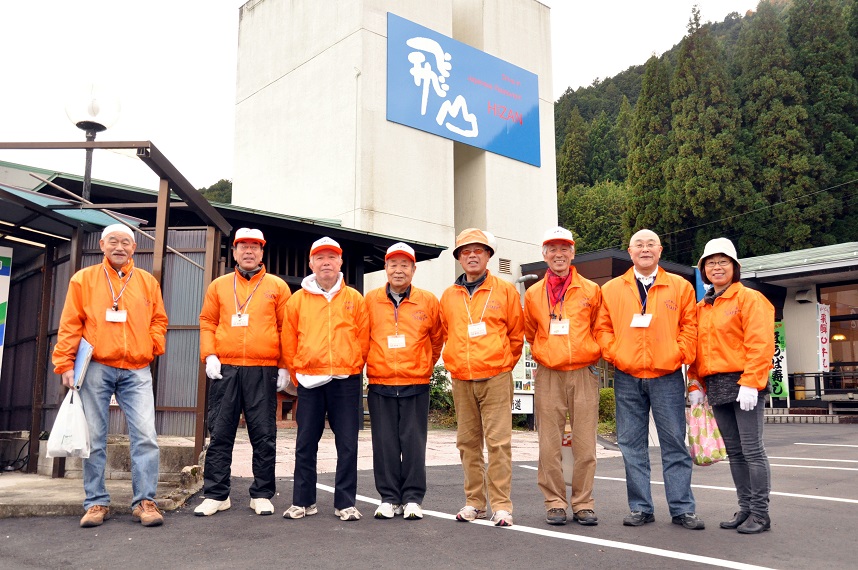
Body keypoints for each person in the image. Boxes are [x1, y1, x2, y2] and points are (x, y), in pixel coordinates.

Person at [52, 223, 168, 528]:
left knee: (146, 436)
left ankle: (145, 502)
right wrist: (64, 363)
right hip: (97, 366)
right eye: (113, 241)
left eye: (126, 242)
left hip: (137, 368)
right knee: (94, 436)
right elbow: (70, 323)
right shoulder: (84, 279)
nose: (120, 247)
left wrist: (152, 345)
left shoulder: (147, 281)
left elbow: (159, 319)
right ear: (102, 245)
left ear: (134, 248)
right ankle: (95, 502)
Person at [594, 229, 703, 529]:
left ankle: (682, 508)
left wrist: (677, 354)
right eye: (639, 245)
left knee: (674, 443)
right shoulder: (611, 289)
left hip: (667, 375)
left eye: (650, 244)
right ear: (629, 252)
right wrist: (616, 355)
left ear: (660, 250)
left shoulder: (680, 286)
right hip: (626, 375)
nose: (645, 249)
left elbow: (690, 327)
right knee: (631, 445)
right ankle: (641, 507)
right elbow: (602, 328)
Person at [194, 228, 292, 517]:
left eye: (254, 247)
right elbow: (207, 321)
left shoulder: (277, 286)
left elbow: (286, 328)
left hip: (263, 369)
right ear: (234, 252)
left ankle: (261, 493)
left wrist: (284, 364)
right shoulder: (219, 285)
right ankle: (216, 494)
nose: (249, 251)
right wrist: (210, 355)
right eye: (243, 246)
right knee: (220, 432)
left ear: (262, 252)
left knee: (264, 434)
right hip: (226, 369)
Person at [688, 237, 774, 534]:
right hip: (716, 385)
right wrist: (695, 383)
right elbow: (697, 350)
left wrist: (751, 382)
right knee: (735, 452)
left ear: (734, 266)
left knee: (752, 450)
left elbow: (760, 343)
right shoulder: (701, 307)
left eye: (723, 262)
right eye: (710, 263)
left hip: (745, 382)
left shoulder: (750, 298)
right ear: (703, 269)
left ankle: (760, 514)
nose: (717, 267)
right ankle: (746, 508)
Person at [280, 237, 369, 522]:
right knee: (306, 442)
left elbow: (364, 338)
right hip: (310, 381)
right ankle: (303, 501)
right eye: (320, 258)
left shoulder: (354, 298)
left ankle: (345, 503)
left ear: (340, 262)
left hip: (345, 379)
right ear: (311, 263)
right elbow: (288, 340)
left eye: (332, 257)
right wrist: (297, 372)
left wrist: (353, 366)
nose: (326, 262)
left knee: (347, 444)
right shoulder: (297, 300)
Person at [439, 228, 524, 527]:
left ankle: (501, 506)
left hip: (496, 376)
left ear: (488, 256)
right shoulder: (449, 295)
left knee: (498, 443)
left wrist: (502, 363)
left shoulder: (505, 290)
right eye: (466, 251)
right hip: (461, 378)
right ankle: (475, 502)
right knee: (467, 443)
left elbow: (516, 335)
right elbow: (446, 333)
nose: (472, 256)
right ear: (459, 258)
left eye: (478, 250)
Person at [524, 227, 602, 527]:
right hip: (549, 373)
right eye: (553, 249)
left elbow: (599, 327)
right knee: (549, 443)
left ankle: (583, 503)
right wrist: (546, 352)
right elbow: (530, 332)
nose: (559, 254)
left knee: (585, 443)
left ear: (573, 252)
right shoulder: (533, 293)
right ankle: (555, 502)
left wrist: (591, 352)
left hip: (584, 371)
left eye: (564, 248)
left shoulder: (591, 290)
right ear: (544, 255)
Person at [365, 242, 443, 521]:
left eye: (405, 265)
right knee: (384, 444)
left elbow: (437, 339)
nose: (399, 270)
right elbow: (362, 338)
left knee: (413, 444)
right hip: (380, 381)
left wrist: (424, 365)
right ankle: (388, 498)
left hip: (416, 383)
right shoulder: (370, 300)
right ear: (385, 268)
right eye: (393, 265)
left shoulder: (428, 301)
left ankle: (412, 498)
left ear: (413, 269)